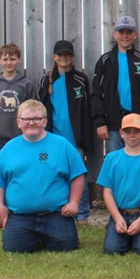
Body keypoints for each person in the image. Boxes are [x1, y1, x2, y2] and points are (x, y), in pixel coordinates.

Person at [0, 100, 86, 253]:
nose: (31, 123)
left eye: (37, 119)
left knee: (66, 246)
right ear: (19, 123)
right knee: (14, 248)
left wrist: (74, 203)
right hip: (20, 216)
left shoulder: (62, 145)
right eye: (26, 119)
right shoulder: (9, 149)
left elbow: (78, 175)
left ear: (45, 122)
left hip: (56, 214)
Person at [37, 39, 94, 223]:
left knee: (78, 175)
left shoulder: (80, 79)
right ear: (54, 57)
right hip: (52, 137)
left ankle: (82, 213)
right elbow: (40, 108)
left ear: (73, 57)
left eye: (68, 55)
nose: (64, 58)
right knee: (53, 174)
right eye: (60, 55)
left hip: (75, 139)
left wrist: (86, 139)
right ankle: (56, 209)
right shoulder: (47, 80)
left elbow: (87, 110)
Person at [90, 15, 140, 152]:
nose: (125, 36)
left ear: (135, 35)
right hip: (113, 125)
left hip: (139, 125)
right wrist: (100, 122)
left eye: (129, 32)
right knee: (116, 165)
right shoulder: (105, 61)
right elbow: (96, 94)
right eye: (121, 32)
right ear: (115, 34)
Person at [98, 113, 140, 255]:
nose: (132, 136)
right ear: (121, 133)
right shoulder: (111, 159)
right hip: (121, 212)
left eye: (137, 132)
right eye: (128, 132)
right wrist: (117, 217)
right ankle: (126, 234)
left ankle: (139, 233)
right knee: (112, 250)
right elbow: (107, 192)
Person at [0, 43, 37, 162]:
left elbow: (34, 113)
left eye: (12, 59)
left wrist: (33, 136)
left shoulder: (27, 85)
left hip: (22, 139)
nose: (9, 62)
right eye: (5, 59)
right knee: (2, 176)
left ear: (19, 60)